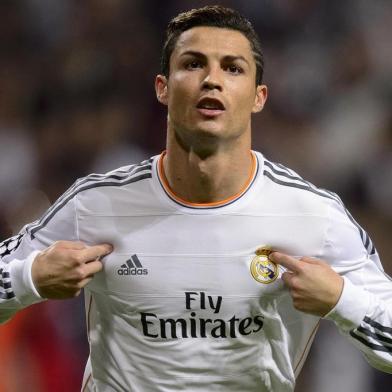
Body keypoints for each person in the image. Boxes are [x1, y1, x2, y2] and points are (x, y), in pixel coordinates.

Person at [0, 5, 391, 391]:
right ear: (163, 88)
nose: (211, 80)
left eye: (233, 68)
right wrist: (28, 276)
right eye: (193, 63)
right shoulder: (96, 204)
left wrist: (341, 301)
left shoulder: (312, 216)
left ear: (259, 96)